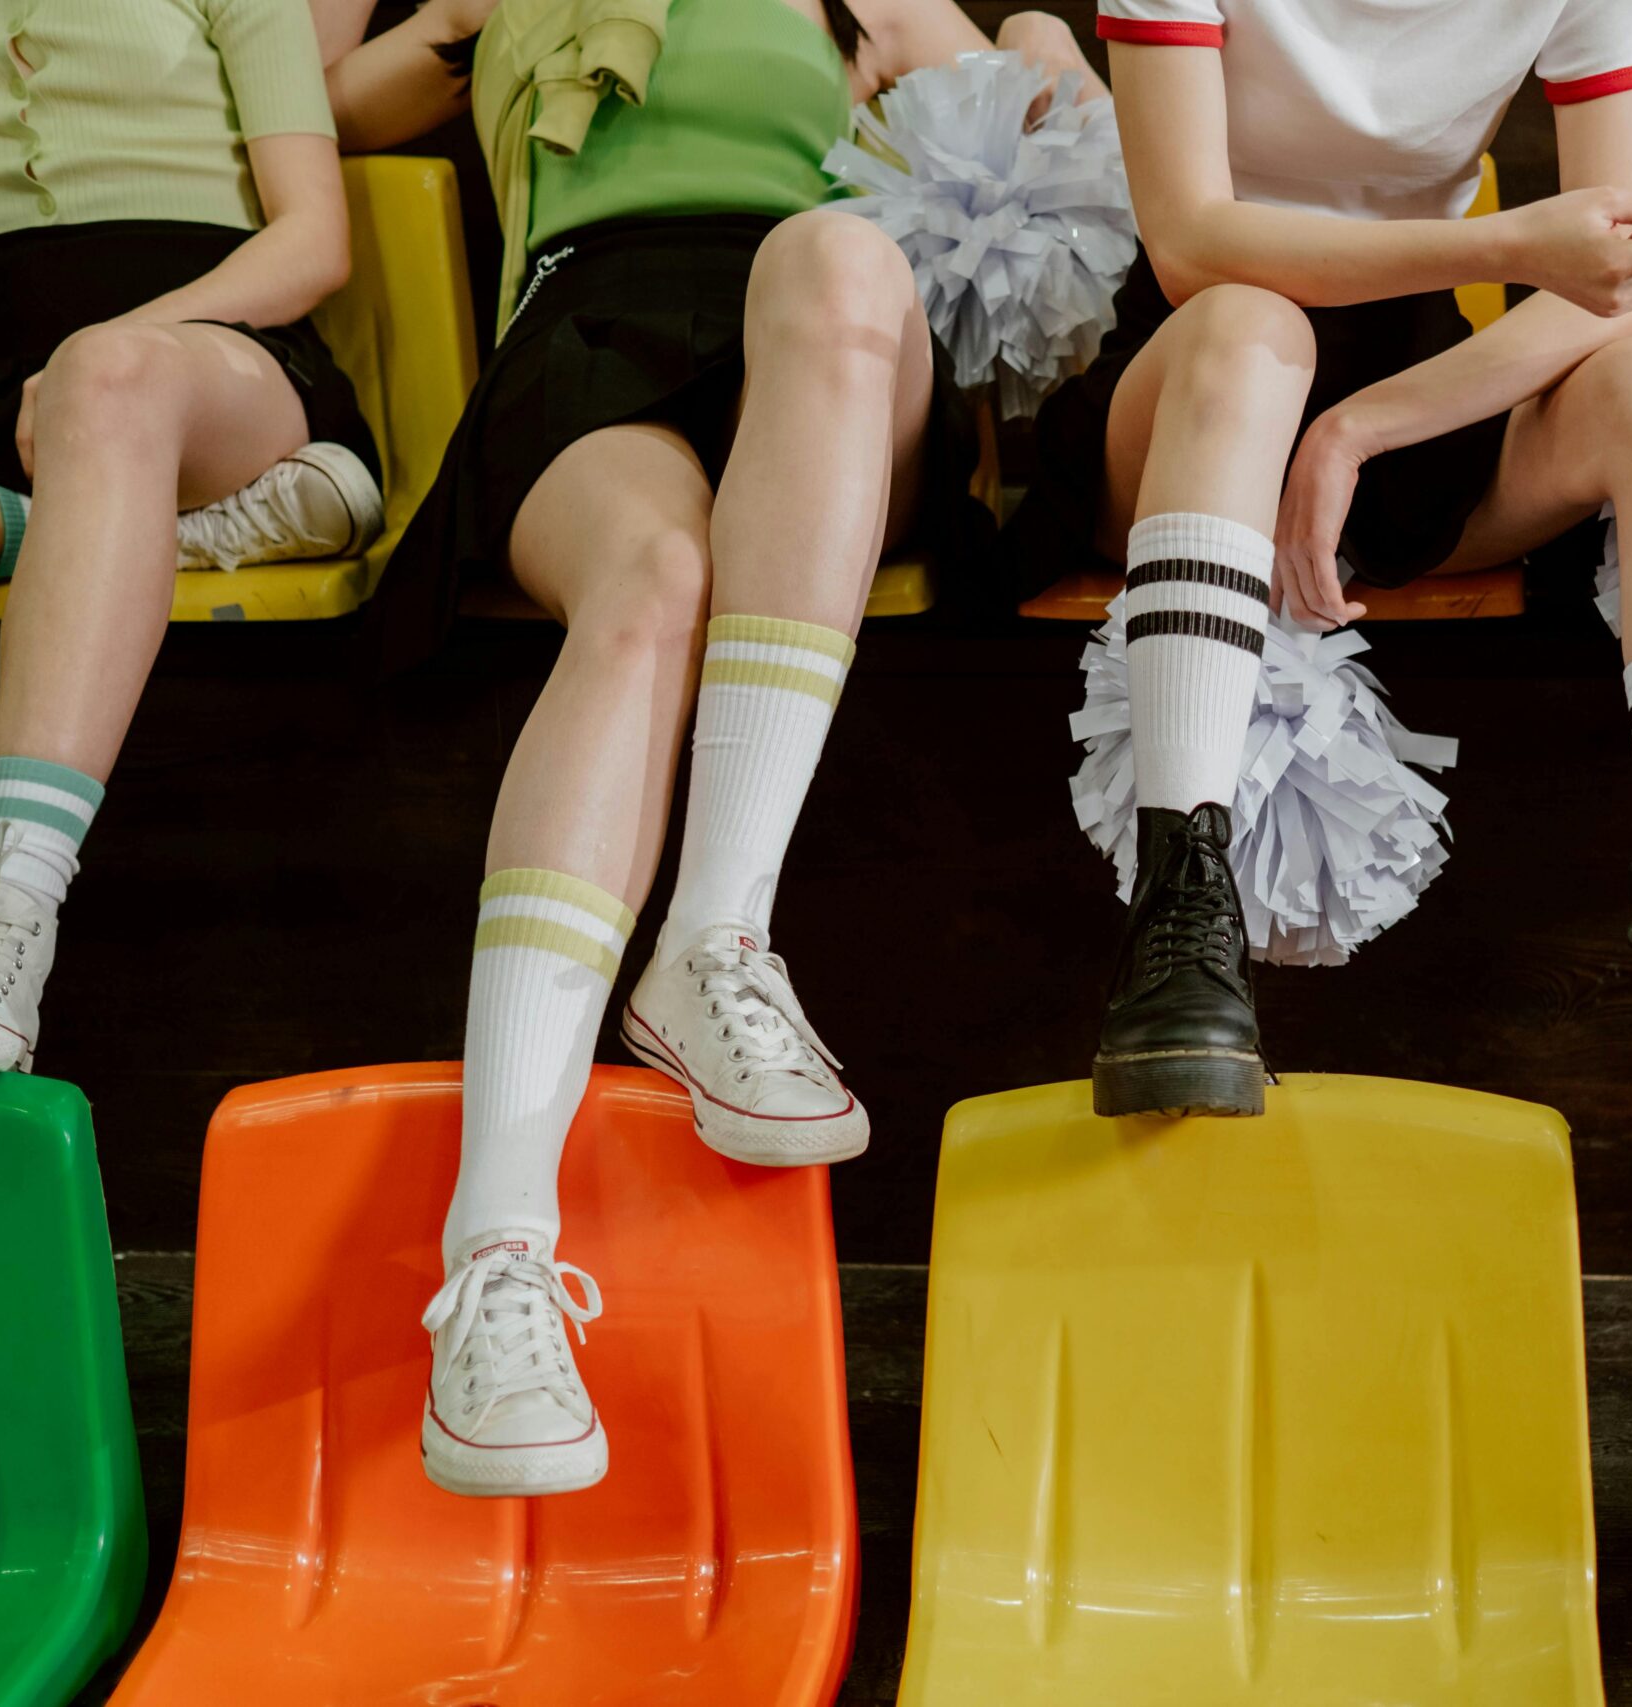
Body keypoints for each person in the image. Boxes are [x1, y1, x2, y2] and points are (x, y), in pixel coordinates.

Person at [354, 0, 1100, 1496]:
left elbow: (1078, 141)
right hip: (584, 329)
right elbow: (320, 122)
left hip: (822, 351)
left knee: (834, 253)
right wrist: (452, 25)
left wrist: (1024, 44)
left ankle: (716, 930)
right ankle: (497, 1250)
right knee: (648, 588)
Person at [1014, 0, 1632, 1134]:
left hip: (1419, 399)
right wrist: (1507, 244)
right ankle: (1179, 919)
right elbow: (1194, 242)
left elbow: (1629, 299)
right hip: (1195, 378)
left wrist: (1365, 427)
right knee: (1253, 330)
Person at [0, 0, 383, 1074]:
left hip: (208, 348)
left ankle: (4, 919)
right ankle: (126, 534)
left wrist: (115, 338)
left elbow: (314, 241)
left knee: (103, 379)